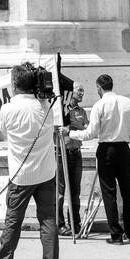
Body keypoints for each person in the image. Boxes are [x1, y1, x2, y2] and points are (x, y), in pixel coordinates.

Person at [0, 62, 61, 259]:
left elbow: (4, 132)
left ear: (14, 84)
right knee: (48, 222)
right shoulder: (47, 106)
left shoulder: (8, 109)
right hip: (46, 173)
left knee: (13, 223)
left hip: (20, 176)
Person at [68, 73, 130, 244]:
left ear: (99, 88)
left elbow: (90, 133)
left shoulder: (99, 105)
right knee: (127, 191)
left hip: (106, 149)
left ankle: (116, 233)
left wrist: (70, 133)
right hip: (124, 149)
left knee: (109, 192)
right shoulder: (127, 102)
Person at [57, 82, 87, 236]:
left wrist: (72, 129)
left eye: (83, 91)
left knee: (75, 191)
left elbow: (87, 129)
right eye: (79, 90)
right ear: (71, 92)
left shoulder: (82, 111)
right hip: (62, 153)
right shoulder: (61, 110)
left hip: (76, 152)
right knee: (60, 191)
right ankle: (60, 224)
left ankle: (75, 223)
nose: (82, 93)